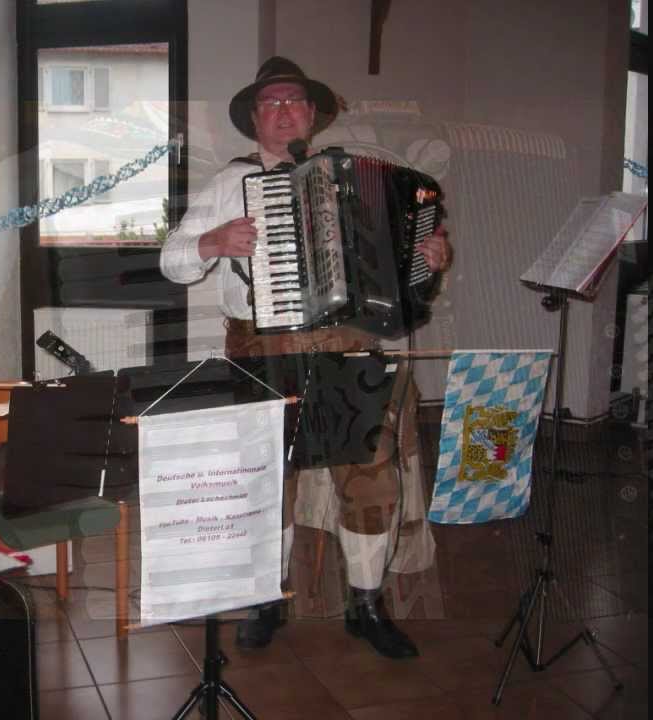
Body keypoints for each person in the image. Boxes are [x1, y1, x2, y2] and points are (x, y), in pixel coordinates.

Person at [159, 56, 452, 659]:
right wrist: (216, 241)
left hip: (350, 347)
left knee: (371, 480)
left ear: (313, 115)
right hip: (262, 350)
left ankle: (366, 605)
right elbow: (173, 259)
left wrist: (431, 252)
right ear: (255, 120)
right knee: (267, 480)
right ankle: (267, 597)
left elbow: (406, 265)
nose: (286, 111)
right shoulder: (228, 183)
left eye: (295, 101)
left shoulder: (364, 177)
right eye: (273, 103)